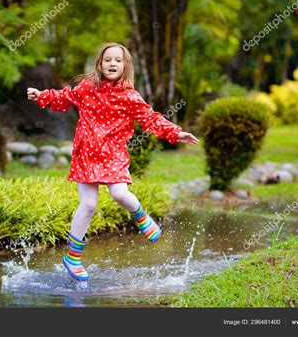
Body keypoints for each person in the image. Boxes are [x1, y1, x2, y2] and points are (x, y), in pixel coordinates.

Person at [27, 42, 199, 281]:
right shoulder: (87, 88)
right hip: (86, 152)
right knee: (88, 204)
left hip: (113, 154)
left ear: (125, 66)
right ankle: (72, 257)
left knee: (119, 193)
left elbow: (150, 119)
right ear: (100, 64)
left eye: (118, 60)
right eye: (108, 60)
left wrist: (175, 133)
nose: (112, 64)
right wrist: (42, 96)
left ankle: (140, 216)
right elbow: (63, 97)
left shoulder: (130, 96)